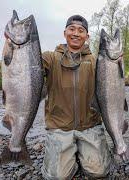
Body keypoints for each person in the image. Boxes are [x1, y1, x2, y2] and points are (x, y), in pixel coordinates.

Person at [40, 15, 111, 179]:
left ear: (87, 36)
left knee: (99, 172)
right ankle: (69, 156)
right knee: (57, 177)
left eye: (81, 30)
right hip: (59, 126)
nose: (76, 34)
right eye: (72, 29)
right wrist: (12, 46)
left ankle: (81, 152)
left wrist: (115, 64)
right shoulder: (50, 58)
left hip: (89, 125)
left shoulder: (96, 61)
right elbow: (25, 65)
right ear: (64, 32)